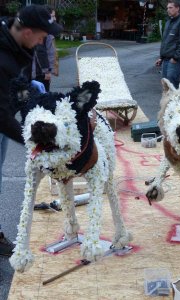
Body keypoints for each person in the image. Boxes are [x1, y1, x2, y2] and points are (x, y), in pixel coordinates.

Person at [0, 4, 62, 256]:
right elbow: (2, 115)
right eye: (41, 35)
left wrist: (32, 93)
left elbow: (16, 87)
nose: (43, 41)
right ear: (27, 31)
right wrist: (34, 141)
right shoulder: (2, 59)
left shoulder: (16, 45)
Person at [155, 0, 180, 89]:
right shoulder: (168, 22)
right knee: (165, 85)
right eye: (167, 8)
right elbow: (166, 42)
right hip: (166, 60)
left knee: (172, 86)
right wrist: (161, 57)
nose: (168, 10)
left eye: (170, 7)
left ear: (177, 8)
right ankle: (167, 103)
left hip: (174, 61)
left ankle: (173, 103)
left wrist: (176, 58)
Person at [32, 5, 59, 92]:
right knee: (41, 97)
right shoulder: (43, 31)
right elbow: (42, 52)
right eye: (53, 16)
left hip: (40, 73)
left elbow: (51, 52)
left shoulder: (46, 30)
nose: (54, 19)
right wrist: (47, 71)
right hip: (39, 73)